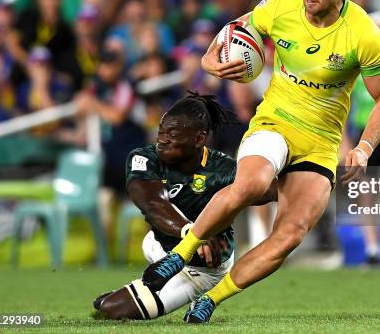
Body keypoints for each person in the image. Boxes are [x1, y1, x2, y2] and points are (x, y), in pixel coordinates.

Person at [142, 0, 380, 323]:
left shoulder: (364, 34)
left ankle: (210, 299)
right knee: (251, 185)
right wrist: (209, 58)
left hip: (321, 143)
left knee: (290, 235)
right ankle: (178, 256)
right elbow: (234, 30)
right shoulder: (279, 7)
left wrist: (362, 147)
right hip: (275, 122)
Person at [92, 92, 274, 320]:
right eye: (161, 132)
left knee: (111, 309)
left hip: (202, 269)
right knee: (109, 305)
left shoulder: (224, 169)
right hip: (159, 245)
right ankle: (140, 290)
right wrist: (194, 233)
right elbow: (152, 203)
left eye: (172, 134)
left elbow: (271, 190)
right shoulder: (145, 158)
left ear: (199, 139)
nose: (163, 139)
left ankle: (200, 295)